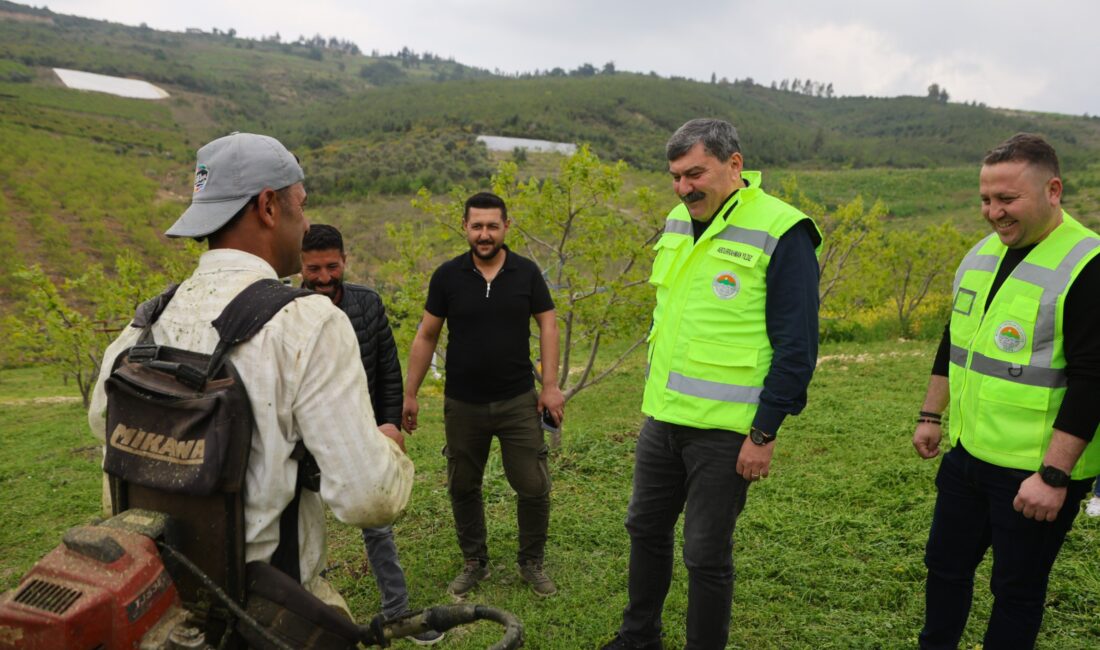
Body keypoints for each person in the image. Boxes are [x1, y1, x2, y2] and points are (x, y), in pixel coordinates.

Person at [88, 132, 414, 615]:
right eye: (301, 206)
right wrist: (389, 448)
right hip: (265, 611)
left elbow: (102, 421)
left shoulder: (149, 319)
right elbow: (368, 499)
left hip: (162, 601)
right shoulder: (308, 321)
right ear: (268, 207)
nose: (306, 223)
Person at [602, 118, 821, 650]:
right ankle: (639, 638)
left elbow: (797, 348)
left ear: (734, 164)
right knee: (644, 529)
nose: (683, 188)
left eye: (694, 174)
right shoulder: (679, 220)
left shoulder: (783, 230)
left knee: (704, 552)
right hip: (664, 418)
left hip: (727, 431)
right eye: (675, 177)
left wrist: (763, 433)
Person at [912, 133, 1100, 649]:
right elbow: (956, 337)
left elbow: (1093, 379)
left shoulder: (1087, 264)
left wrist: (1054, 475)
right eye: (986, 199)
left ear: (1053, 191)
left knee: (1015, 591)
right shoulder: (981, 254)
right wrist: (931, 414)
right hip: (968, 454)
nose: (994, 213)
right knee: (944, 568)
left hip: (1034, 472)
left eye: (1007, 199)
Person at [401, 191, 565, 598]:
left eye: (493, 226)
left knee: (532, 484)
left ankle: (531, 562)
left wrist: (549, 386)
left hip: (518, 400)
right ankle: (475, 561)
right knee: (463, 485)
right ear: (465, 227)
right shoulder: (447, 276)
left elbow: (548, 324)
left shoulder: (526, 273)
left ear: (506, 226)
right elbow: (426, 334)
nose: (485, 234)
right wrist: (410, 393)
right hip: (463, 403)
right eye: (477, 226)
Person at [300, 224, 442, 644]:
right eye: (313, 268)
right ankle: (304, 618)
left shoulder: (367, 303)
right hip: (303, 438)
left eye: (331, 266)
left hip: (361, 430)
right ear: (300, 266)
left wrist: (390, 424)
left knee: (377, 522)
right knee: (301, 529)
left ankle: (398, 613)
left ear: (345, 261)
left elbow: (388, 371)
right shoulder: (286, 309)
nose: (323, 277)